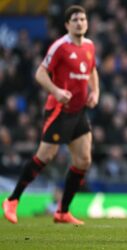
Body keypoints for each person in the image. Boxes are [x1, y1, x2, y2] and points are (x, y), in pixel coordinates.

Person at [2, 5, 99, 225]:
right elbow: (40, 73)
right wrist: (56, 91)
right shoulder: (60, 47)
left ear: (87, 23)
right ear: (67, 24)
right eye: (74, 19)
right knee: (45, 157)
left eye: (82, 19)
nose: (79, 23)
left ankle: (62, 211)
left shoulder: (90, 46)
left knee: (84, 159)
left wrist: (96, 92)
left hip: (78, 110)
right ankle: (12, 200)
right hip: (59, 110)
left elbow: (92, 70)